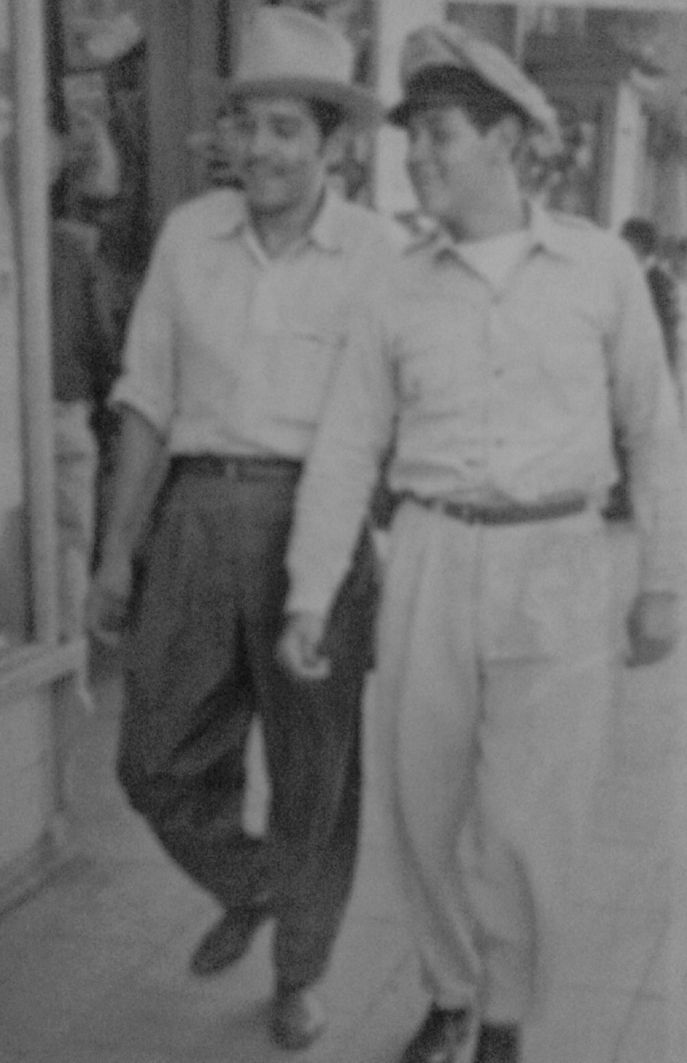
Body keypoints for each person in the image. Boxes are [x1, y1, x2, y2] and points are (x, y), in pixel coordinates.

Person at [279, 21, 687, 1063]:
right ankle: (451, 989)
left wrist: (664, 582)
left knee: (529, 823)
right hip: (425, 557)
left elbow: (656, 429)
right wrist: (310, 593)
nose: (418, 156)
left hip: (556, 564)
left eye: (442, 135)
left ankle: (503, 1016)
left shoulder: (600, 270)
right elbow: (345, 445)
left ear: (506, 139)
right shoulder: (395, 286)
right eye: (411, 137)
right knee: (425, 807)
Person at [86, 7, 399, 1051]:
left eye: (284, 130)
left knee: (318, 769)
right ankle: (257, 879)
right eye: (246, 125)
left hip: (320, 520)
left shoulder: (376, 255)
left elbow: (395, 417)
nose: (257, 149)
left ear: (333, 143)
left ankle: (300, 973)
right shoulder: (187, 235)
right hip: (194, 515)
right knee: (155, 756)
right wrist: (117, 551)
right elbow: (143, 404)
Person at [49, 122, 116, 650]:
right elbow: (101, 339)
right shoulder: (73, 252)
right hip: (69, 408)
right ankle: (70, 647)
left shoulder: (65, 249)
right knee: (71, 537)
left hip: (46, 407)